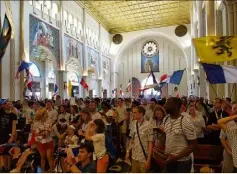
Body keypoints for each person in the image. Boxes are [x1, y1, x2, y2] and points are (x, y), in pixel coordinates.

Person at [162, 97, 197, 173]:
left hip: (182, 162)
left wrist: (176, 157)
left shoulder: (185, 121)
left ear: (176, 106)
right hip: (169, 159)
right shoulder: (166, 119)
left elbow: (193, 145)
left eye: (168, 103)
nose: (165, 105)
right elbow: (167, 137)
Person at [126, 106, 153, 173]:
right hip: (134, 156)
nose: (133, 114)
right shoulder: (133, 123)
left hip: (143, 157)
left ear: (141, 113)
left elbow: (150, 143)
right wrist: (127, 152)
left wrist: (148, 160)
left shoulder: (148, 125)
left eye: (135, 112)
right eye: (133, 112)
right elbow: (132, 139)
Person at [33, 108, 54, 172]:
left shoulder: (49, 121)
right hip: (39, 141)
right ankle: (43, 171)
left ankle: (51, 170)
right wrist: (41, 134)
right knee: (43, 156)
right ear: (41, 115)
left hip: (48, 140)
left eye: (46, 113)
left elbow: (50, 130)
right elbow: (35, 133)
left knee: (49, 156)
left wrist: (46, 132)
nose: (46, 114)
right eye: (45, 113)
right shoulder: (36, 123)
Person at [218, 104, 237, 173]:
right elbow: (222, 138)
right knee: (228, 170)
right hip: (229, 151)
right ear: (231, 111)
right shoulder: (228, 124)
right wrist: (228, 150)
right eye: (234, 108)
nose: (236, 110)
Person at [0, 100, 17, 172]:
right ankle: (3, 166)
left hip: (8, 135)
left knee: (9, 152)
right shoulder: (0, 112)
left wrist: (12, 136)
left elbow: (14, 126)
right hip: (1, 134)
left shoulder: (13, 115)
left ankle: (8, 167)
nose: (8, 105)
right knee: (2, 152)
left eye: (9, 104)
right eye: (6, 104)